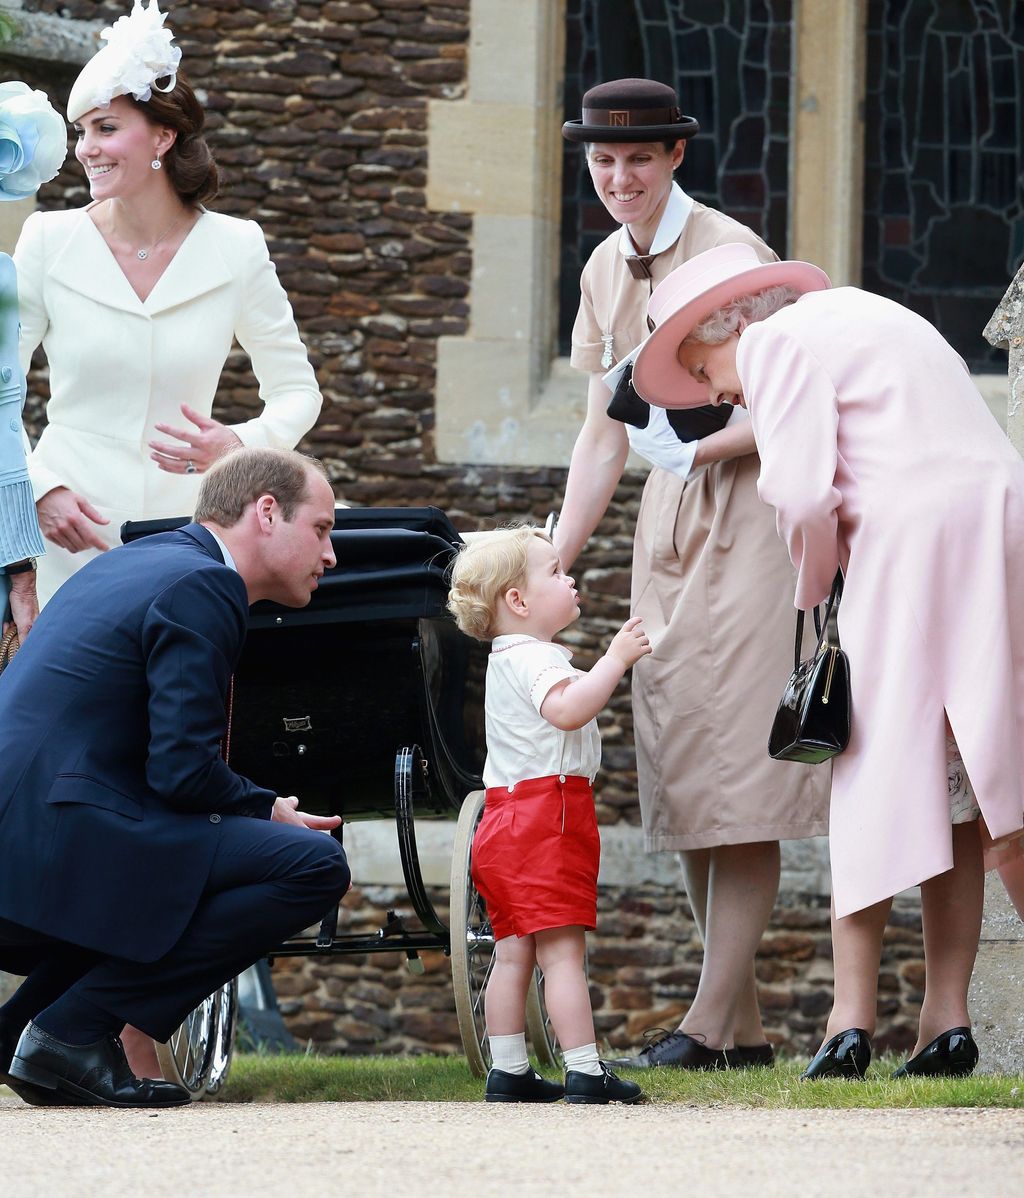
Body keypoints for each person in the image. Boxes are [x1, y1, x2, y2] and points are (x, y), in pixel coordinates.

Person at [632, 241, 1024, 1078]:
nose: (715, 393)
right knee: (966, 784)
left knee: (873, 769)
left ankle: (848, 1023)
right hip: (999, 526)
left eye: (702, 373)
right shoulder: (873, 312)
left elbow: (806, 495)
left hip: (910, 545)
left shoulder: (775, 343)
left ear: (724, 327)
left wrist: (816, 589)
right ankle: (945, 1022)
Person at [558, 78, 829, 1070]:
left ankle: (707, 1023)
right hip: (665, 532)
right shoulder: (599, 267)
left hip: (753, 517)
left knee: (737, 771)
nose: (618, 177)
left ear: (675, 156)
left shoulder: (731, 255)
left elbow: (789, 402)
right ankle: (744, 1030)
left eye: (637, 158)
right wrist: (559, 548)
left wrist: (697, 453)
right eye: (601, 161)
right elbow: (602, 434)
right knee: (683, 769)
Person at [0, 446, 350, 1107]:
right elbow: (183, 773)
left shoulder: (138, 563)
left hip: (33, 834)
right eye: (323, 530)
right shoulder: (204, 585)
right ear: (266, 512)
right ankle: (71, 1030)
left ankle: (25, 1035)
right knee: (312, 863)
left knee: (176, 859)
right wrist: (266, 806)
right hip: (48, 841)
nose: (330, 557)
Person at [13, 0, 323, 607]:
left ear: (163, 134)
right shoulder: (48, 240)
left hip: (191, 539)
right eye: (82, 131)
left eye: (106, 128)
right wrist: (40, 489)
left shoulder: (238, 246)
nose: (86, 149)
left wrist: (237, 446)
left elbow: (298, 393)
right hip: (69, 535)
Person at [447, 526, 650, 1104]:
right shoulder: (536, 658)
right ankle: (585, 1068)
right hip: (546, 818)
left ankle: (508, 1069)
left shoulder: (505, 658)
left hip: (504, 819)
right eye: (557, 572)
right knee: (562, 951)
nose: (571, 579)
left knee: (513, 951)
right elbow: (566, 709)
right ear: (518, 601)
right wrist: (613, 661)